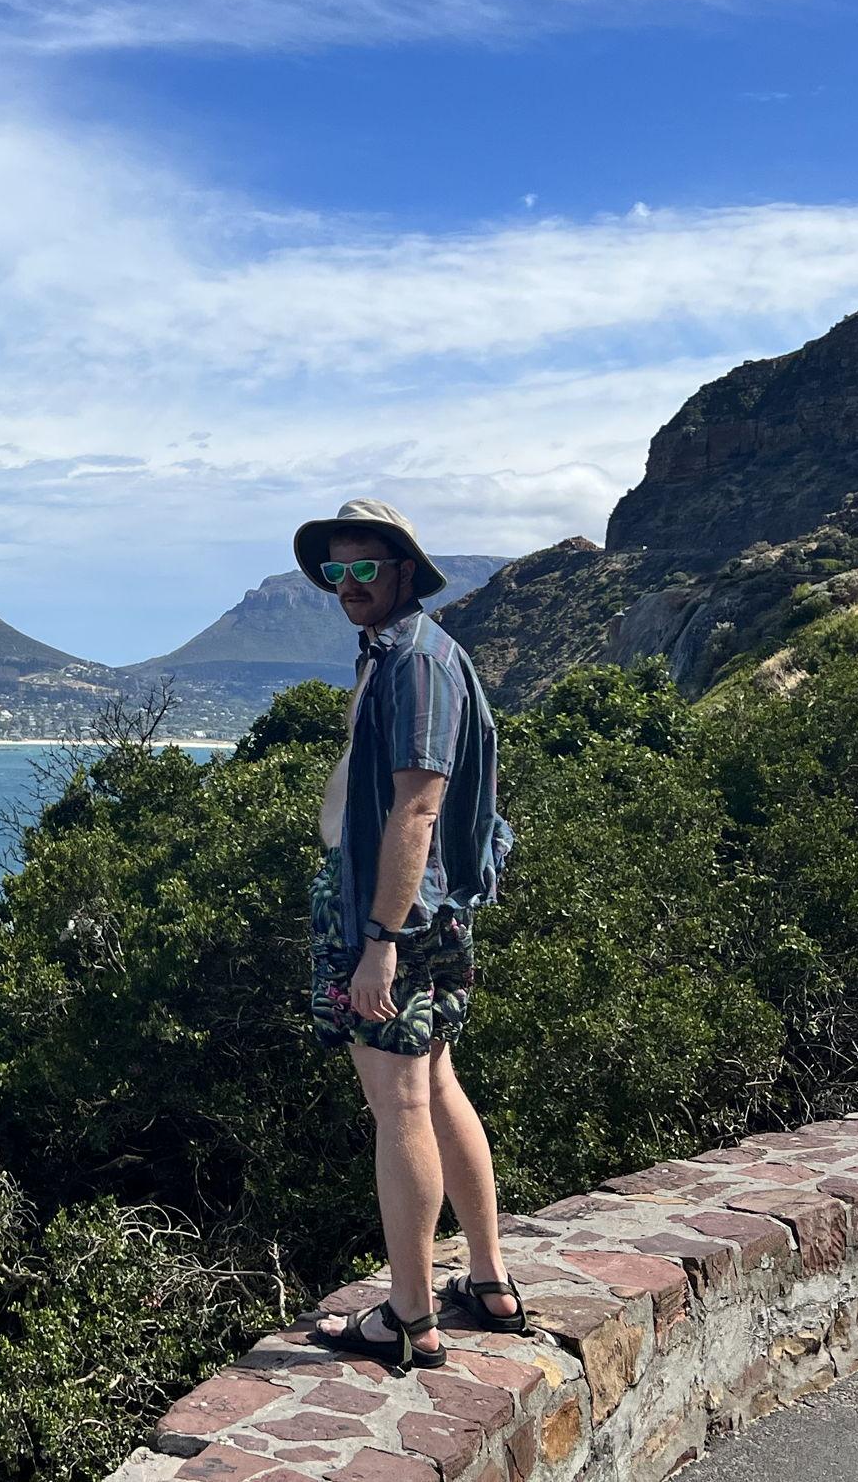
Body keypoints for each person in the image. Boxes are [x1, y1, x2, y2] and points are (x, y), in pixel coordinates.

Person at [292, 497, 523, 1374]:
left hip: (393, 915)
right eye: (335, 572)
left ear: (401, 571)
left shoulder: (418, 663)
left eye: (363, 570)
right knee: (435, 1083)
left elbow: (418, 806)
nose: (347, 586)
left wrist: (379, 938)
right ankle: (490, 1282)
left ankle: (412, 1315)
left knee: (399, 1106)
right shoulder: (404, 653)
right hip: (419, 910)